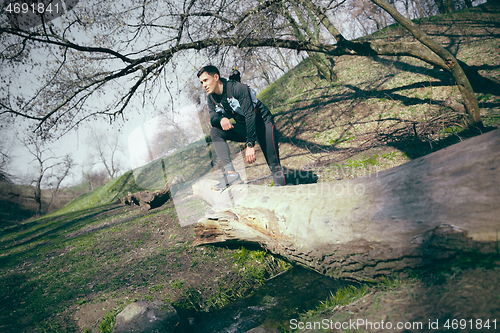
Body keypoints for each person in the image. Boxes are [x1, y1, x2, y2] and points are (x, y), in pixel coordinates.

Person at [197, 65, 286, 191]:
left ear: (216, 77)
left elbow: (250, 115)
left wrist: (250, 144)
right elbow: (213, 119)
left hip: (262, 124)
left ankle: (284, 192)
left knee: (275, 167)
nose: (203, 85)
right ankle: (231, 175)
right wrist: (221, 119)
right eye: (201, 82)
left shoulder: (237, 88)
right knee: (215, 131)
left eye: (206, 80)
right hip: (243, 128)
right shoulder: (211, 98)